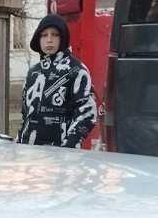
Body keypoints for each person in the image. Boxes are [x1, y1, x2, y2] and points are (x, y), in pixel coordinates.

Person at [16, 14, 97, 149]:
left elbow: (87, 113)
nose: (49, 40)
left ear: (63, 37)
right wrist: (19, 145)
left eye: (55, 35)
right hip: (29, 154)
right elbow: (25, 116)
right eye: (44, 35)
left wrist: (69, 146)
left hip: (61, 156)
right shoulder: (33, 73)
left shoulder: (76, 70)